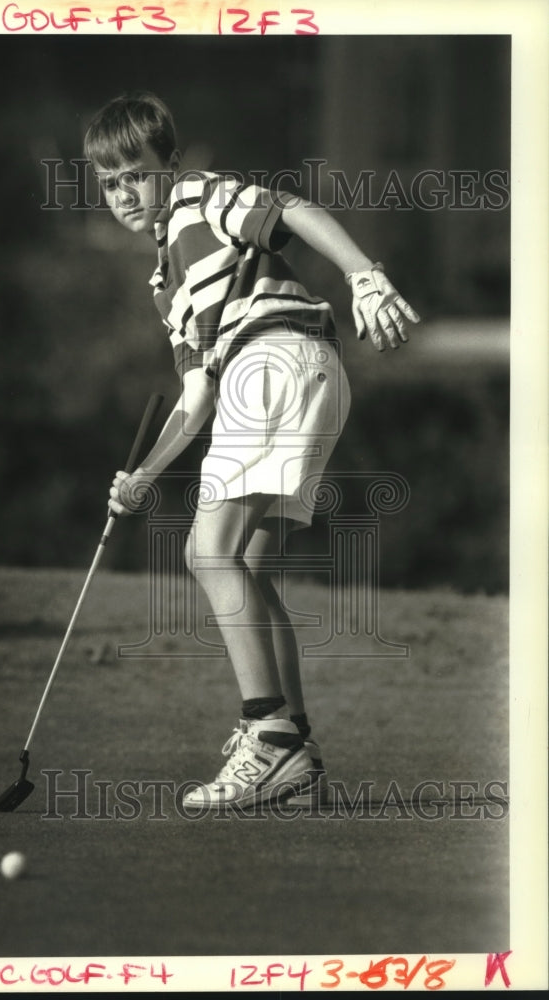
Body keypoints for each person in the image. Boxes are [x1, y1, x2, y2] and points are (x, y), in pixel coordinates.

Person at [83, 92, 420, 811]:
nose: (124, 194)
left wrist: (364, 273)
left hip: (272, 365)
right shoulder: (165, 284)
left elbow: (292, 209)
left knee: (209, 555)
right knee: (253, 565)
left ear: (168, 167)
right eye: (109, 183)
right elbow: (196, 399)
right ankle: (296, 746)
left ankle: (268, 737)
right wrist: (142, 479)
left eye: (136, 175)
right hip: (298, 376)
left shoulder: (199, 200)